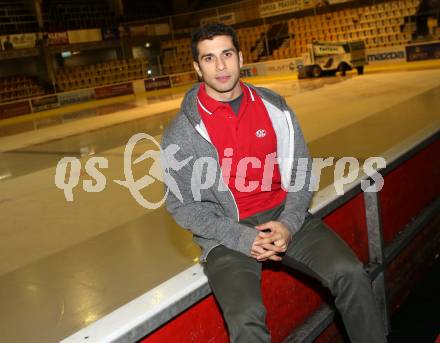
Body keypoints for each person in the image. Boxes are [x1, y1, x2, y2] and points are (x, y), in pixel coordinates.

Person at [160, 23, 387, 343]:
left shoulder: (274, 106)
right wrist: (238, 236)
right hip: (226, 232)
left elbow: (301, 172)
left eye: (226, 54)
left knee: (350, 273)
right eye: (209, 59)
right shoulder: (181, 132)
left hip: (283, 213)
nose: (221, 66)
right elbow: (181, 204)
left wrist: (289, 223)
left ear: (240, 57)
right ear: (197, 68)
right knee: (245, 320)